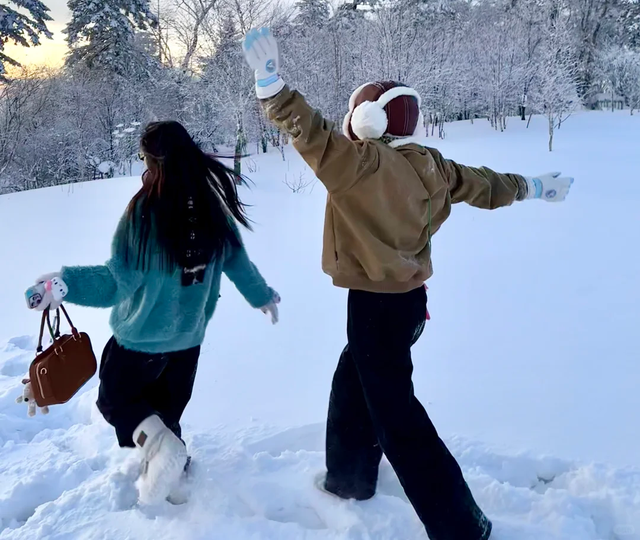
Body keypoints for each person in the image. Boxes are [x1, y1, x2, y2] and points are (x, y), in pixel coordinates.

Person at [242, 28, 573, 540]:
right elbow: (486, 184)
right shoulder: (433, 165)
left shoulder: (360, 165)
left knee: (398, 417)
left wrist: (271, 87)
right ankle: (348, 479)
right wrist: (533, 187)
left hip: (375, 305)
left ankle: (462, 526)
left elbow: (311, 133)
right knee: (353, 382)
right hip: (409, 304)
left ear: (366, 119)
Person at [24, 120, 280, 506]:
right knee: (164, 411)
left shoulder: (144, 214)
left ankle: (163, 452)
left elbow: (116, 281)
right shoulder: (212, 208)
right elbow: (237, 261)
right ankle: (177, 479)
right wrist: (262, 296)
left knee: (116, 401)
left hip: (139, 340)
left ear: (152, 159)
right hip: (188, 342)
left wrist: (64, 284)